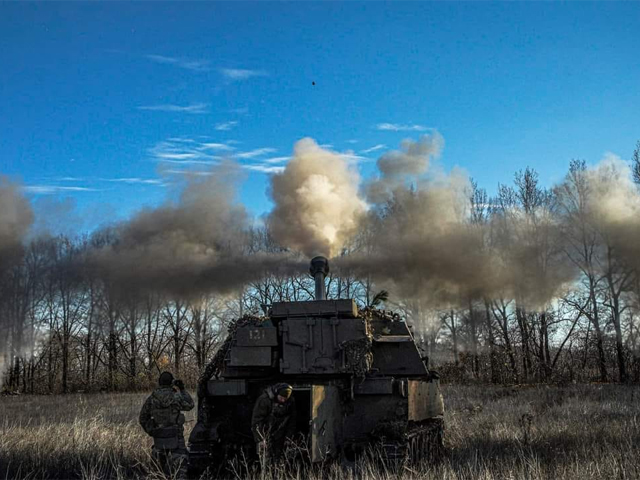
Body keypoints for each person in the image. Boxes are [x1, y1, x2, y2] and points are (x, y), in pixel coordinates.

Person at [139, 371, 195, 479]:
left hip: (159, 438)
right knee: (180, 468)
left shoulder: (152, 399)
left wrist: (152, 430)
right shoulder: (176, 397)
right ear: (171, 383)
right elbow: (190, 405)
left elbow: (142, 418)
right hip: (176, 437)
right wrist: (182, 389)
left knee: (157, 470)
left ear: (159, 382)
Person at [251, 383, 297, 464]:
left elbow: (292, 421)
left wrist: (288, 438)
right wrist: (260, 439)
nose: (283, 400)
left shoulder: (290, 402)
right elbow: (257, 421)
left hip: (279, 435)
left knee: (280, 462)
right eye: (281, 398)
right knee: (266, 462)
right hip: (264, 434)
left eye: (285, 399)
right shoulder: (264, 400)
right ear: (276, 393)